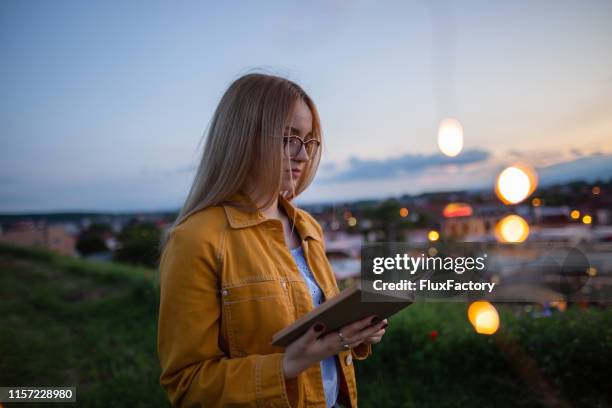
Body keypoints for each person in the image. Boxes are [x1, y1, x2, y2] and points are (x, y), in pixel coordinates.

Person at [157, 72, 388, 407]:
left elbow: (318, 327)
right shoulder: (196, 239)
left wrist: (354, 331)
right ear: (244, 137)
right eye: (289, 138)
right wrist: (289, 364)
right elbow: (187, 385)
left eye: (308, 141)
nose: (303, 156)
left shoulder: (307, 226)